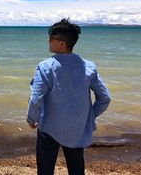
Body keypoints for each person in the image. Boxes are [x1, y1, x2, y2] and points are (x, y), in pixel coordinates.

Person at [26, 18, 111, 175]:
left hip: (49, 127)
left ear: (61, 43)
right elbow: (105, 98)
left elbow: (36, 97)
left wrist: (32, 119)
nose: (48, 41)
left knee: (45, 169)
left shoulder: (45, 67)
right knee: (76, 168)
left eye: (51, 38)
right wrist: (90, 115)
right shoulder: (88, 67)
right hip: (77, 128)